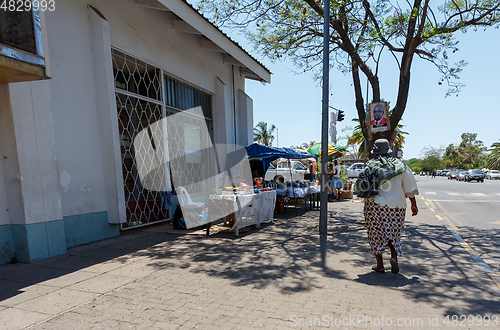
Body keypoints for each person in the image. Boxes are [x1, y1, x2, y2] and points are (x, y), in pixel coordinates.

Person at [355, 139, 419, 274]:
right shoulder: (401, 166)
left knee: (375, 233)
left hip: (375, 205)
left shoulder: (372, 165)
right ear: (389, 150)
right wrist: (413, 204)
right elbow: (409, 187)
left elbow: (363, 183)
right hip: (398, 205)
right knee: (393, 234)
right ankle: (394, 258)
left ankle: (380, 265)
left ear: (375, 151)